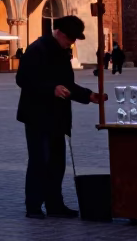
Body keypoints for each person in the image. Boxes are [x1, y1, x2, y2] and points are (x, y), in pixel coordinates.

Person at [16, 15, 103, 220]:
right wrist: (51, 89)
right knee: (40, 160)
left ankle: (55, 204)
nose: (72, 43)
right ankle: (34, 205)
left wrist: (88, 96)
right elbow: (23, 79)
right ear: (60, 33)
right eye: (70, 39)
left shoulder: (62, 52)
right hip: (37, 115)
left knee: (57, 162)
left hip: (57, 116)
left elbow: (68, 85)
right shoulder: (37, 49)